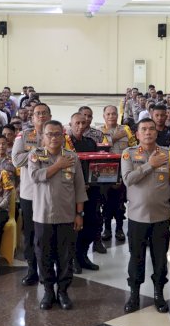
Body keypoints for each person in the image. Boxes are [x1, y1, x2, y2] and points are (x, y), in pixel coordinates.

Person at [120, 118, 170, 313]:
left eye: (151, 129)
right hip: (137, 218)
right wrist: (150, 164)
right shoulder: (128, 154)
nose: (148, 132)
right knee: (136, 257)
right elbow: (128, 180)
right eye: (143, 129)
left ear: (156, 133)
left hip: (161, 217)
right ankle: (134, 294)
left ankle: (159, 293)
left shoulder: (168, 154)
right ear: (137, 134)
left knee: (160, 258)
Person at [28, 120, 87, 310]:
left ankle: (63, 291)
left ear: (63, 136)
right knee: (44, 255)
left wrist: (79, 213)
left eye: (57, 134)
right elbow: (35, 177)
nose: (53, 138)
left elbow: (79, 188)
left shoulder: (72, 157)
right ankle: (48, 291)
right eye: (49, 134)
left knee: (65, 256)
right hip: (42, 216)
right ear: (43, 137)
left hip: (67, 216)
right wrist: (58, 166)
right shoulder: (35, 155)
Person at [12, 102, 51, 286]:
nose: (41, 116)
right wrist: (37, 152)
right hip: (29, 192)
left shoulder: (58, 135)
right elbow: (16, 160)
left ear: (49, 116)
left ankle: (47, 271)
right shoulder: (24, 135)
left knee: (47, 234)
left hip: (50, 192)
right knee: (30, 233)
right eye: (37, 114)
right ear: (32, 117)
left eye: (44, 113)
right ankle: (31, 269)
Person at [65, 113, 100, 273]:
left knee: (91, 223)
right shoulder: (65, 144)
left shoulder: (91, 143)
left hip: (91, 190)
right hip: (71, 192)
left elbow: (97, 166)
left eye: (83, 123)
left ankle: (83, 256)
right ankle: (72, 259)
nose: (80, 126)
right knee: (74, 227)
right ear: (70, 124)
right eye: (77, 123)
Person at [100, 105, 137, 243]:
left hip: (123, 170)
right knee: (107, 201)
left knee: (121, 201)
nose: (111, 116)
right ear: (104, 116)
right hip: (105, 172)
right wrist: (114, 138)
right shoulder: (99, 131)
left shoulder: (125, 129)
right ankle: (107, 229)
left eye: (114, 114)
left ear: (118, 115)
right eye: (108, 114)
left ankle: (120, 229)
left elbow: (133, 146)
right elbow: (101, 147)